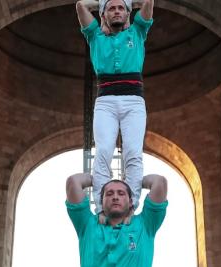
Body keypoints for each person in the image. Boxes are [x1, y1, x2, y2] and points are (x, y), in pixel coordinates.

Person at [75, 0, 155, 214]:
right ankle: (102, 208)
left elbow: (148, 2)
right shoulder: (95, 36)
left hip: (134, 101)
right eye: (112, 9)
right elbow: (81, 5)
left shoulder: (138, 32)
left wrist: (128, 4)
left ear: (128, 13)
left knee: (133, 153)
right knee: (103, 152)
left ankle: (131, 206)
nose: (117, 11)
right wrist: (102, 4)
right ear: (104, 15)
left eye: (121, 8)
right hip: (106, 102)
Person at [66, 173, 168, 267]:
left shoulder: (145, 224)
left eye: (121, 193)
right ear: (101, 202)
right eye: (109, 194)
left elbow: (160, 182)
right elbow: (73, 182)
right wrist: (97, 179)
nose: (115, 197)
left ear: (131, 201)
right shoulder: (88, 224)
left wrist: (136, 182)